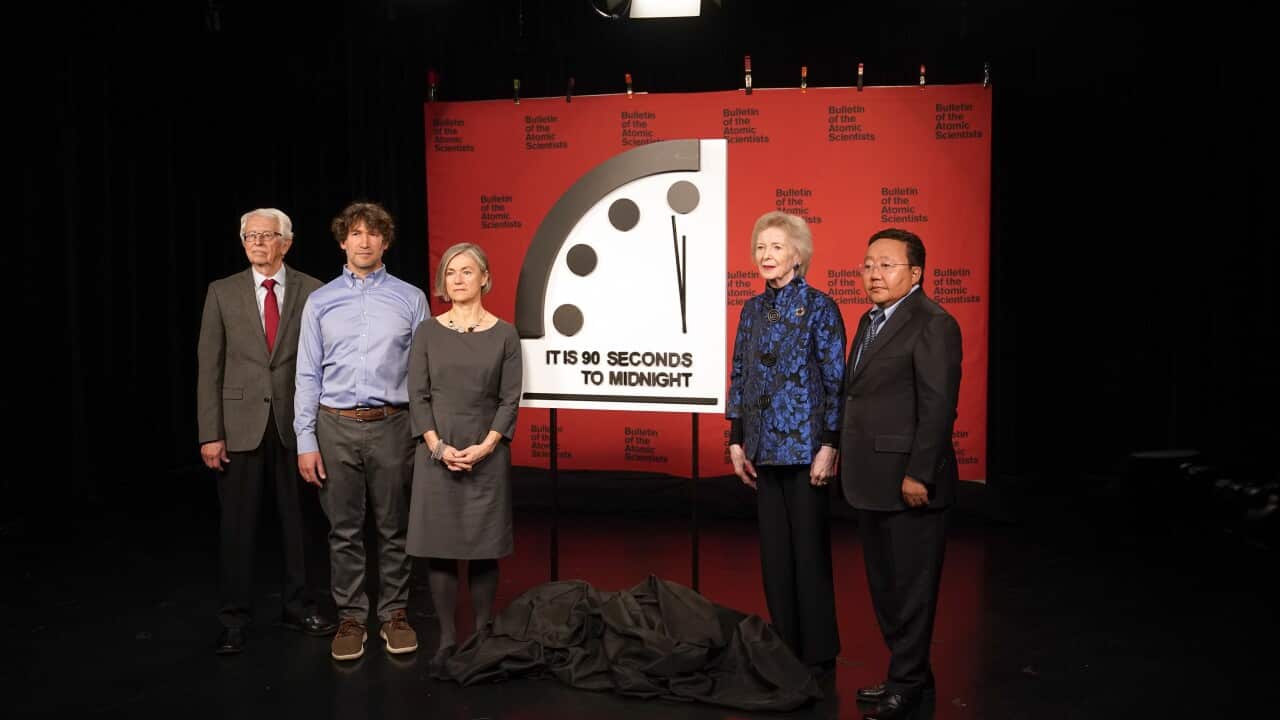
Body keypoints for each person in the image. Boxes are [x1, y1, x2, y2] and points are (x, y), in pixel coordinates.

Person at [294, 201, 428, 661]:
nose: (364, 241)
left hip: (394, 424)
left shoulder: (411, 298)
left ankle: (394, 614)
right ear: (342, 241)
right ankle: (351, 617)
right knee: (344, 530)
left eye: (373, 233)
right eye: (355, 233)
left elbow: (423, 373)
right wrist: (306, 440)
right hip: (334, 426)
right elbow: (307, 374)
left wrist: (424, 433)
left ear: (385, 241)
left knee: (395, 527)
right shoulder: (320, 301)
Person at [197, 208, 334, 654]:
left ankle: (300, 607)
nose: (257, 242)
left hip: (299, 426)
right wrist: (210, 432)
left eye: (266, 235)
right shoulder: (221, 292)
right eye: (249, 236)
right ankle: (234, 619)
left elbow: (326, 361)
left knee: (300, 524)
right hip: (239, 427)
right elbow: (209, 366)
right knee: (238, 528)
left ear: (286, 243)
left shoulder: (314, 290)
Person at [840, 228, 962, 720]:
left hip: (910, 482)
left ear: (915, 273)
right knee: (887, 589)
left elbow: (938, 407)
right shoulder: (870, 321)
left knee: (912, 592)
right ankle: (910, 676)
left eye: (886, 265)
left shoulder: (934, 323)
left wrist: (919, 474)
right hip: (870, 479)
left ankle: (906, 684)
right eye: (869, 264)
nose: (874, 273)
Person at [725, 211, 846, 678]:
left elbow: (836, 381)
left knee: (809, 553)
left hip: (806, 450)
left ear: (798, 255)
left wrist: (830, 444)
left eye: (776, 247)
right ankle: (786, 646)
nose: (766, 255)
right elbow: (739, 373)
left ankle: (819, 653)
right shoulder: (752, 309)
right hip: (762, 448)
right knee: (774, 556)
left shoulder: (820, 307)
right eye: (760, 247)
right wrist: (736, 439)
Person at [406, 242, 522, 673]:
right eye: (450, 272)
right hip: (436, 451)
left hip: (486, 453)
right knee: (441, 548)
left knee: (483, 548)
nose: (457, 279)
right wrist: (437, 446)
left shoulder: (505, 334)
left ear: (485, 278)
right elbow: (417, 395)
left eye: (467, 271)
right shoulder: (427, 332)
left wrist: (487, 446)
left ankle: (482, 633)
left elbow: (509, 399)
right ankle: (447, 639)